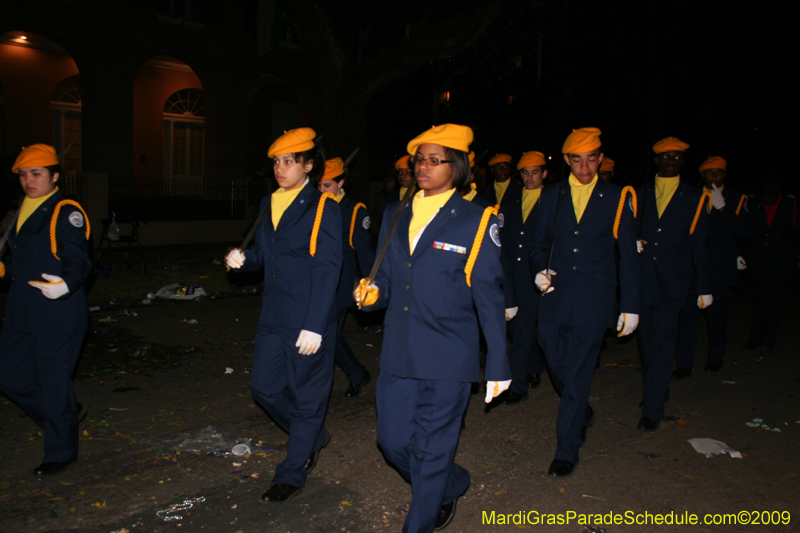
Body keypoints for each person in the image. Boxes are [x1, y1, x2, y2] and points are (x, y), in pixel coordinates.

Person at [355, 123, 511, 532]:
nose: (422, 167)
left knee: (430, 449)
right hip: (400, 350)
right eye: (418, 159)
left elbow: (489, 296)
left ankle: (420, 519)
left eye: (433, 160)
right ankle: (450, 481)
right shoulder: (395, 212)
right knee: (392, 442)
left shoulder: (478, 221)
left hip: (448, 355)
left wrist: (497, 362)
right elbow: (389, 279)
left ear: (456, 167)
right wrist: (375, 294)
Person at [225, 128, 342, 502]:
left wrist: (315, 324)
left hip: (308, 319)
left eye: (289, 161)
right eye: (276, 161)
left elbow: (328, 268)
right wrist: (243, 262)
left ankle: (292, 471)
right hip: (273, 315)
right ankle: (310, 436)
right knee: (265, 387)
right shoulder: (268, 203)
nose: (280, 168)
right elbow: (266, 256)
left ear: (308, 166)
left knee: (307, 398)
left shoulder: (324, 207)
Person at [532, 128, 640, 477]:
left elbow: (627, 254)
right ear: (566, 161)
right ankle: (580, 410)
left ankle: (567, 449)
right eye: (577, 160)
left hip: (595, 298)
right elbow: (539, 243)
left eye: (591, 159)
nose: (585, 167)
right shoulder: (552, 195)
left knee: (578, 374)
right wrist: (538, 269)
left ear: (600, 158)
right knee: (550, 351)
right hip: (556, 294)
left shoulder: (617, 196)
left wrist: (631, 305)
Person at [0, 144, 92, 476]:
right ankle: (64, 416)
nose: (28, 180)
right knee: (9, 375)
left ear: (54, 176)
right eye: (24, 175)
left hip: (58, 312)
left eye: (36, 174)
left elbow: (77, 257)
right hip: (21, 312)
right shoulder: (22, 209)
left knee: (53, 384)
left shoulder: (65, 210)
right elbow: (21, 260)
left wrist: (66, 283)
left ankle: (60, 451)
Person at [636, 137, 712, 431]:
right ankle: (657, 383)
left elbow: (699, 246)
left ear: (682, 162)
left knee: (662, 341)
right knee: (645, 342)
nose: (671, 161)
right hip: (643, 281)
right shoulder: (638, 194)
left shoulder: (695, 198)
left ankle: (652, 408)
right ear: (656, 160)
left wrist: (703, 287)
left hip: (673, 282)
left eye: (676, 158)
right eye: (665, 157)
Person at [673, 157, 749, 376]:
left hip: (719, 267)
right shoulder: (691, 197)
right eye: (709, 172)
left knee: (717, 317)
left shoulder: (735, 199)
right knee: (688, 317)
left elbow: (744, 232)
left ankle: (715, 357)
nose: (714, 176)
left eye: (718, 172)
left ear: (724, 175)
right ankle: (684, 364)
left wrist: (723, 209)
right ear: (702, 175)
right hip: (692, 267)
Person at [317, 157, 375, 397]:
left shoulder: (354, 211)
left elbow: (365, 253)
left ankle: (350, 374)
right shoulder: (315, 206)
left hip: (340, 284)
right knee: (324, 335)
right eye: (318, 185)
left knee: (324, 335)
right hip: (318, 282)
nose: (322, 191)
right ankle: (356, 373)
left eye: (327, 185)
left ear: (341, 182)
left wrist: (370, 285)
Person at [497, 151, 548, 404]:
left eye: (535, 173)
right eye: (526, 173)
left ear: (544, 174)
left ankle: (518, 385)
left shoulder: (553, 202)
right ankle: (533, 366)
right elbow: (504, 242)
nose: (530, 178)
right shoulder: (512, 202)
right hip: (514, 276)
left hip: (537, 277)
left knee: (526, 330)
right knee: (519, 330)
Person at [743, 174, 798, 353]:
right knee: (758, 302)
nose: (768, 199)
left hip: (780, 264)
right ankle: (755, 339)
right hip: (758, 263)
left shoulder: (790, 205)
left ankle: (769, 340)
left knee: (773, 302)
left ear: (778, 193)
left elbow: (795, 233)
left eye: (771, 196)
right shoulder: (753, 204)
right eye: (765, 195)